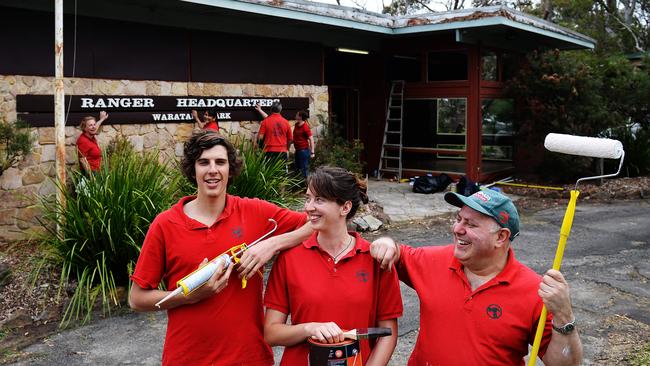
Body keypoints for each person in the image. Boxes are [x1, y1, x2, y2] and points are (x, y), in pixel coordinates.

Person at [128, 130, 313, 366]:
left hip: (249, 358)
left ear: (230, 169)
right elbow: (137, 299)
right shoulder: (165, 224)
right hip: (186, 358)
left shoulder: (256, 212)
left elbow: (317, 224)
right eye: (203, 162)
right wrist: (189, 296)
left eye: (220, 162)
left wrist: (272, 244)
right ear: (192, 169)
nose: (212, 170)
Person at [370, 189, 583, 366]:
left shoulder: (534, 290)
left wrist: (564, 315)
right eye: (458, 219)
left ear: (501, 237)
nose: (457, 229)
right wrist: (386, 243)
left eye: (470, 225)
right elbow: (397, 253)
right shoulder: (433, 260)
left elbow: (565, 364)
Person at [264, 166, 403, 366]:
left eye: (319, 200)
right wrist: (309, 328)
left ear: (345, 208)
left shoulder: (375, 259)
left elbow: (387, 333)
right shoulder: (289, 258)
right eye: (308, 198)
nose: (309, 207)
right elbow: (271, 332)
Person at [291, 110, 315, 178]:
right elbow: (296, 137)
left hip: (303, 151)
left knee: (304, 170)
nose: (295, 115)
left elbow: (311, 139)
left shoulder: (305, 127)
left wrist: (312, 152)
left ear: (300, 117)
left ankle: (307, 186)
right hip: (297, 151)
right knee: (297, 169)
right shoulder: (296, 125)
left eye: (297, 114)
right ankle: (298, 187)